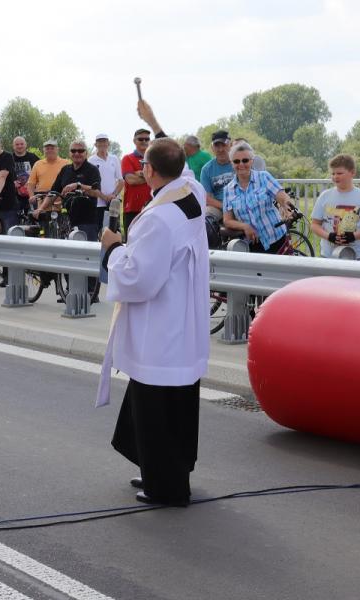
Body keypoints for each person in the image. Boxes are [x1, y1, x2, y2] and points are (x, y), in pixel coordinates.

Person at [98, 137, 210, 507]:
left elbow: (138, 279)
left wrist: (113, 248)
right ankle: (160, 468)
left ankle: (166, 486)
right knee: (174, 406)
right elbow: (183, 167)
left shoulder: (158, 219)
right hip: (183, 322)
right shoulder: (191, 194)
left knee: (157, 409)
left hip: (161, 328)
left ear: (148, 171)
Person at [222, 143, 293, 254]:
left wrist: (288, 209)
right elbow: (227, 220)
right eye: (236, 161)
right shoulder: (228, 190)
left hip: (277, 238)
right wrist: (244, 226)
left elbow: (282, 197)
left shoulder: (264, 177)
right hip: (252, 246)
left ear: (252, 161)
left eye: (245, 160)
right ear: (232, 163)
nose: (241, 164)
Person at [310, 154, 360, 259]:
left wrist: (353, 237)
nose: (335, 176)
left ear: (352, 172)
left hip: (357, 256)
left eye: (339, 173)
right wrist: (329, 236)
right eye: (333, 173)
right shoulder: (325, 196)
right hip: (328, 256)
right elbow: (315, 224)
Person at [120, 128, 153, 236]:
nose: (144, 141)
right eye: (140, 139)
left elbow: (162, 178)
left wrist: (141, 174)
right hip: (132, 209)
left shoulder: (155, 160)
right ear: (134, 141)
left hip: (152, 208)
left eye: (146, 139)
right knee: (131, 242)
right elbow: (130, 180)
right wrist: (150, 175)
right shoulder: (127, 158)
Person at [88, 133, 124, 230]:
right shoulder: (91, 160)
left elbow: (121, 181)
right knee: (99, 231)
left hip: (113, 203)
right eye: (99, 141)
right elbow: (90, 185)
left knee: (114, 231)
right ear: (95, 144)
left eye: (104, 141)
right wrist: (103, 197)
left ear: (108, 143)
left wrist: (113, 195)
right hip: (98, 203)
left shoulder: (114, 159)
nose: (102, 144)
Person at [199, 130, 233, 223]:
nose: (220, 149)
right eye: (217, 146)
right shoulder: (206, 169)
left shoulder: (239, 162)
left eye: (223, 145)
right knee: (206, 218)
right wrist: (225, 207)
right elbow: (207, 198)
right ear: (212, 148)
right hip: (219, 207)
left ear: (230, 145)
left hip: (241, 203)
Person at [11, 136, 39, 212]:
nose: (19, 146)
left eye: (21, 144)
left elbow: (41, 174)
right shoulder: (9, 158)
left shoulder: (33, 157)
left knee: (33, 216)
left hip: (31, 195)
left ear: (26, 145)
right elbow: (2, 175)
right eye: (17, 144)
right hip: (14, 196)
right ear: (13, 146)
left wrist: (33, 183)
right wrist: (12, 182)